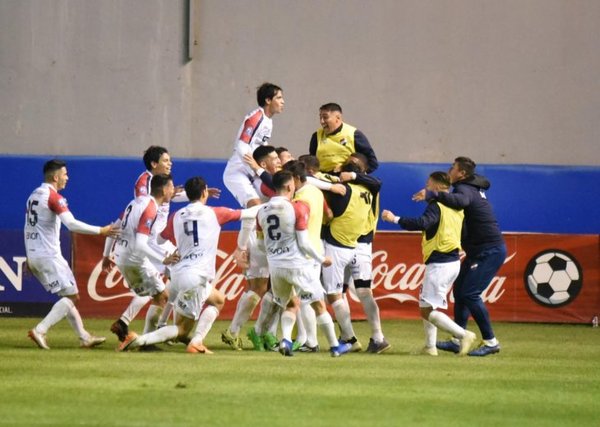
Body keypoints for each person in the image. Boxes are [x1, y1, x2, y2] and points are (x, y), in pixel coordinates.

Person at [120, 177, 261, 353]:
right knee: (181, 329)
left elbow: (159, 238)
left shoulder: (176, 216)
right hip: (196, 276)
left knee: (218, 300)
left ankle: (196, 340)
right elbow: (250, 213)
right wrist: (273, 204)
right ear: (204, 193)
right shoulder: (215, 213)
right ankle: (139, 340)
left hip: (178, 274)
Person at [413, 157, 506, 356]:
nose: (449, 171)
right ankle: (457, 339)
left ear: (462, 173)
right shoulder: (472, 187)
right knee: (460, 291)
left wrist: (432, 193)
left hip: (488, 250)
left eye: (452, 168)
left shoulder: (464, 190)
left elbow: (461, 201)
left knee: (470, 293)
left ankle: (491, 342)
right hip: (479, 250)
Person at [255, 170, 352, 357]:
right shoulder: (297, 208)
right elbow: (304, 243)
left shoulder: (262, 211)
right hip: (298, 265)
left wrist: (275, 253)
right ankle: (335, 346)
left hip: (276, 268)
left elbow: (260, 244)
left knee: (290, 304)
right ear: (290, 186)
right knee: (318, 305)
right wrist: (321, 259)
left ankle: (285, 341)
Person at [25, 159, 119, 350]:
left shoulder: (33, 195)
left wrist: (30, 255)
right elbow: (71, 224)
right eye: (65, 174)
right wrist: (101, 230)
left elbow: (29, 226)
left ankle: (84, 337)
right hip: (49, 255)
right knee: (73, 296)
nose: (67, 178)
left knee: (68, 296)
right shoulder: (54, 197)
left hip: (35, 254)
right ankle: (40, 330)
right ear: (55, 176)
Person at [382, 171, 477, 356]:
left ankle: (463, 334)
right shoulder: (457, 208)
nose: (426, 187)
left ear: (437, 186)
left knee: (428, 311)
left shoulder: (437, 205)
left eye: (428, 183)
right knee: (428, 306)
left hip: (440, 263)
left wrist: (394, 218)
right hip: (451, 262)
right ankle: (430, 347)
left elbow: (423, 223)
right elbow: (462, 232)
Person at [109, 174, 180, 351]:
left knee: (151, 294)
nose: (173, 190)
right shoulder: (151, 208)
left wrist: (106, 254)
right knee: (162, 296)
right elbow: (141, 244)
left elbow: (117, 226)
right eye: (171, 187)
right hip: (134, 259)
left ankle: (124, 325)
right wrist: (162, 259)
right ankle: (146, 342)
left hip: (121, 256)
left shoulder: (135, 202)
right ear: (164, 190)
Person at [221, 145, 282, 350]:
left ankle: (259, 333)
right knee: (258, 288)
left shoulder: (265, 181)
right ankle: (234, 332)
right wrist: (241, 247)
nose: (279, 161)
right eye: (275, 158)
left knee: (268, 289)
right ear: (263, 164)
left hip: (266, 240)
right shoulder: (266, 186)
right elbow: (251, 214)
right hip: (258, 239)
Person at [321, 160, 382, 351]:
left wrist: (339, 177)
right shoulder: (370, 190)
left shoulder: (345, 190)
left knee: (335, 292)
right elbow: (375, 182)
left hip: (344, 243)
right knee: (361, 291)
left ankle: (349, 338)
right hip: (361, 242)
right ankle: (377, 336)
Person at [339, 153, 390, 354]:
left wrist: (352, 176)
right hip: (342, 243)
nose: (351, 167)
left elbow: (377, 182)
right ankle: (348, 336)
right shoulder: (346, 186)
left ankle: (378, 337)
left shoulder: (370, 185)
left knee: (362, 291)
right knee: (337, 292)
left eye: (355, 165)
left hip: (360, 243)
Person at [223, 83, 285, 209]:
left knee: (269, 204)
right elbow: (241, 146)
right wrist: (254, 169)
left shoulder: (269, 121)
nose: (283, 101)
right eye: (278, 98)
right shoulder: (256, 118)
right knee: (255, 206)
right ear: (268, 100)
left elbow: (261, 146)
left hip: (251, 171)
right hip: (238, 170)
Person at [308, 103, 378, 174]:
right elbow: (312, 163)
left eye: (325, 117)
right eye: (320, 118)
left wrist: (355, 175)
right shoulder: (316, 136)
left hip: (347, 179)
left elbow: (372, 162)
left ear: (338, 118)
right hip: (323, 179)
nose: (322, 121)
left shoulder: (354, 134)